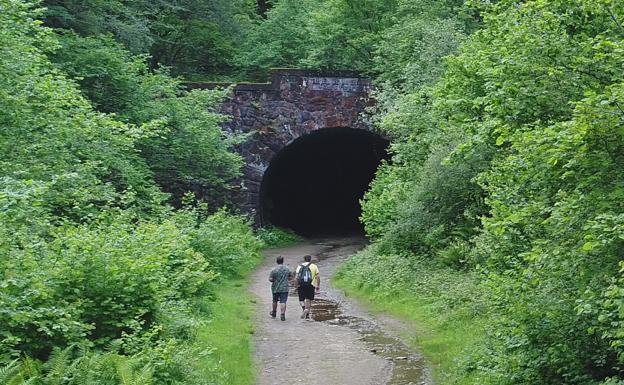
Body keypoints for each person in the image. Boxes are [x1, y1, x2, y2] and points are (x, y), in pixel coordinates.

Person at [295, 255, 320, 320]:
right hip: (311, 284)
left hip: (301, 285)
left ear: (304, 259)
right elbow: (318, 277)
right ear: (310, 259)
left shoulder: (299, 266)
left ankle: (304, 308)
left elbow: (296, 277)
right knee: (308, 299)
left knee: (301, 300)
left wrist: (296, 286)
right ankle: (307, 315)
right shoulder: (314, 266)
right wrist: (318, 286)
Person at [269, 255, 293, 321]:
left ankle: (274, 313)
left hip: (275, 287)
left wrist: (274, 280)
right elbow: (291, 277)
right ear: (283, 261)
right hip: (284, 288)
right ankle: (282, 314)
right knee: (283, 301)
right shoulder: (287, 269)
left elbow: (270, 279)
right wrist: (286, 279)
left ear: (277, 261)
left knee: (274, 300)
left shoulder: (273, 270)